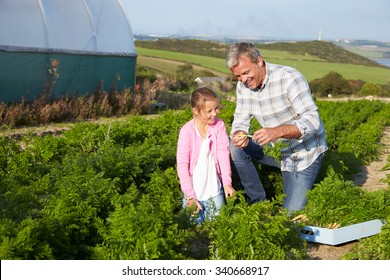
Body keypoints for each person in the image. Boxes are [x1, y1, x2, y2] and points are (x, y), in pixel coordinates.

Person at [226, 42, 327, 212]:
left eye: (245, 73)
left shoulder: (289, 78)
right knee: (234, 147)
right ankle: (258, 203)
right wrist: (239, 132)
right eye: (238, 76)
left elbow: (313, 121)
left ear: (259, 61)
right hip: (275, 149)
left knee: (289, 217)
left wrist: (278, 132)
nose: (243, 79)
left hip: (303, 154)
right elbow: (240, 117)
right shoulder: (243, 87)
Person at [176, 87, 235, 223]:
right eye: (209, 111)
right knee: (193, 233)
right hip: (193, 193)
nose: (215, 113)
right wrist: (190, 196)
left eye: (216, 108)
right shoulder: (187, 131)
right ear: (196, 111)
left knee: (218, 230)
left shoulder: (219, 126)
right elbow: (182, 165)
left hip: (214, 191)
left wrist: (227, 183)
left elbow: (223, 154)